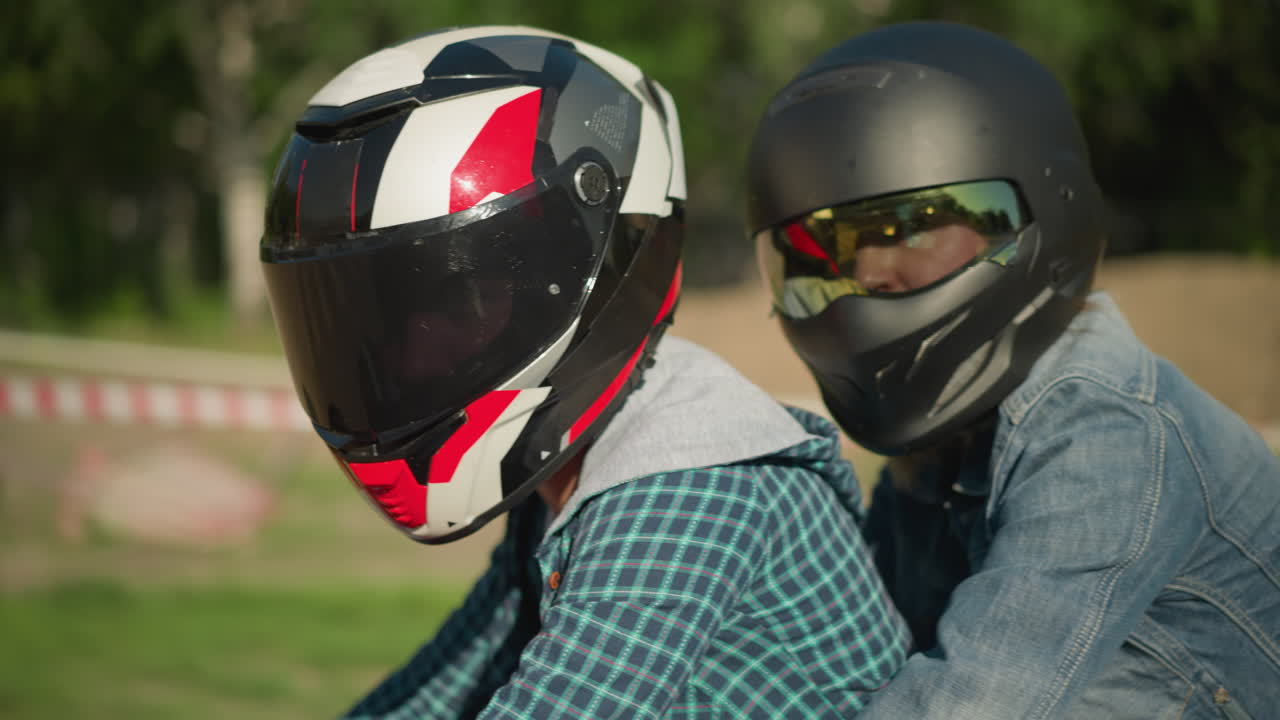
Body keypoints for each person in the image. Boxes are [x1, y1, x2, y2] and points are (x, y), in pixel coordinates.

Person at [260, 26, 909, 719]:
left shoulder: (690, 485)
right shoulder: (569, 465)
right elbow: (439, 687)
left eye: (459, 302)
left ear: (591, 271)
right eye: (377, 323)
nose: (403, 352)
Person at [746, 20, 1280, 720]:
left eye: (905, 225)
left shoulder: (1107, 434)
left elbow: (969, 704)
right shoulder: (942, 432)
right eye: (828, 250)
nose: (866, 273)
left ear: (1033, 210)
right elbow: (861, 647)